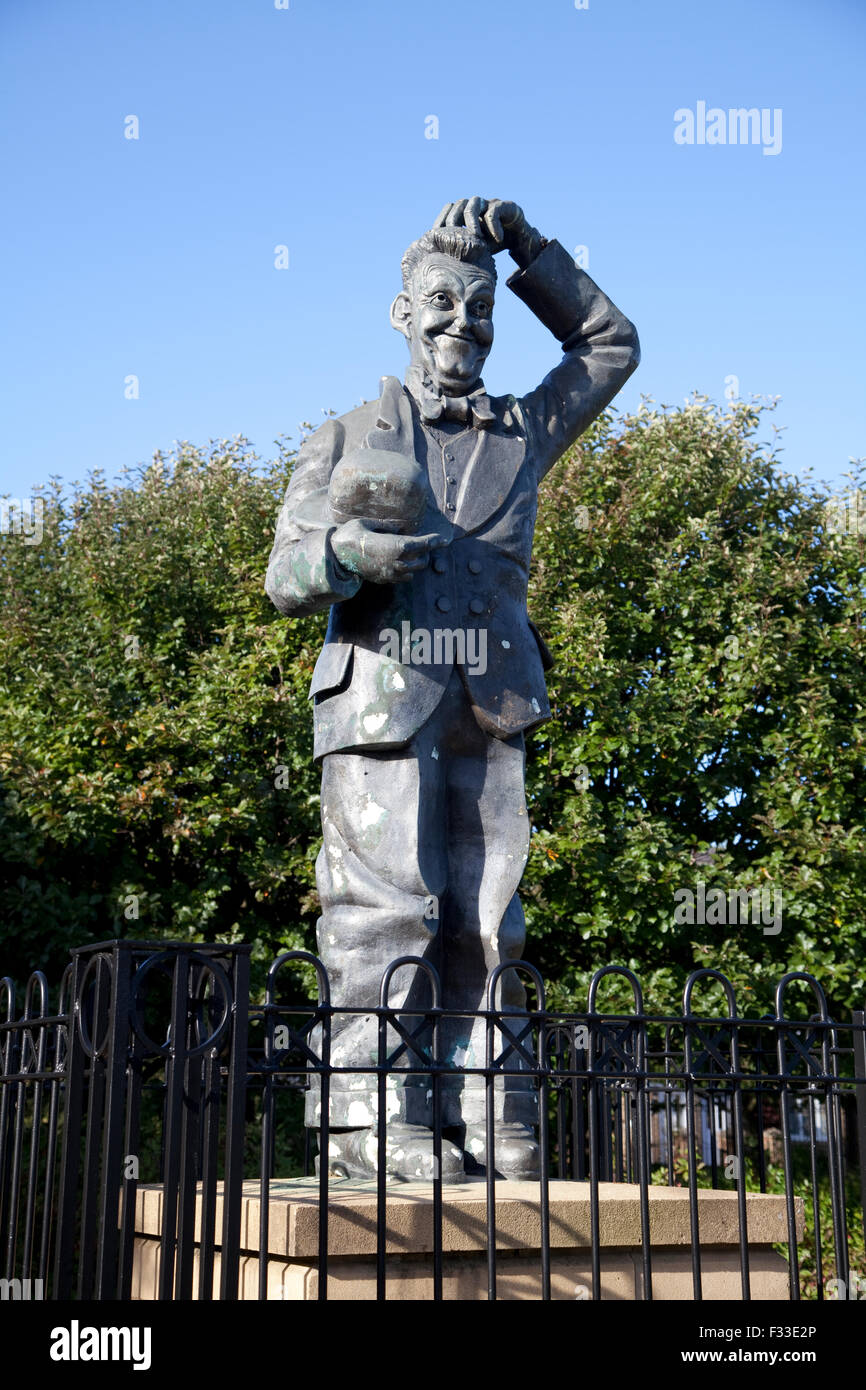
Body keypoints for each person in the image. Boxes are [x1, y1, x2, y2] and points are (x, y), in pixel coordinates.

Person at [265, 197, 639, 1180]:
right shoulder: (344, 435)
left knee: (489, 915)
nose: (462, 325)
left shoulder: (521, 430)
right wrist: (351, 551)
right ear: (401, 314)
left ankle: (489, 1110)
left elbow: (608, 345)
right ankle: (373, 1123)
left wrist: (526, 247)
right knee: (385, 910)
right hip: (381, 691)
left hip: (492, 694)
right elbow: (284, 572)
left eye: (479, 308)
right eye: (441, 303)